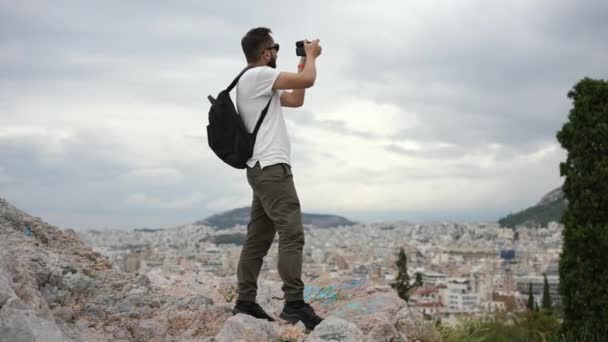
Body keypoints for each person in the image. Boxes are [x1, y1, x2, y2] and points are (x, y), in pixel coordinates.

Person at [231, 27, 323, 330]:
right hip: (271, 169)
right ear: (265, 53)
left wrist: (301, 63)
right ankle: (294, 304)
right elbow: (309, 80)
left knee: (258, 239)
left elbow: (297, 98)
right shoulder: (257, 76)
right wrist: (310, 57)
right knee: (292, 233)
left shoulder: (256, 84)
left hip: (262, 169)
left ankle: (245, 301)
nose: (276, 54)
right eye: (276, 49)